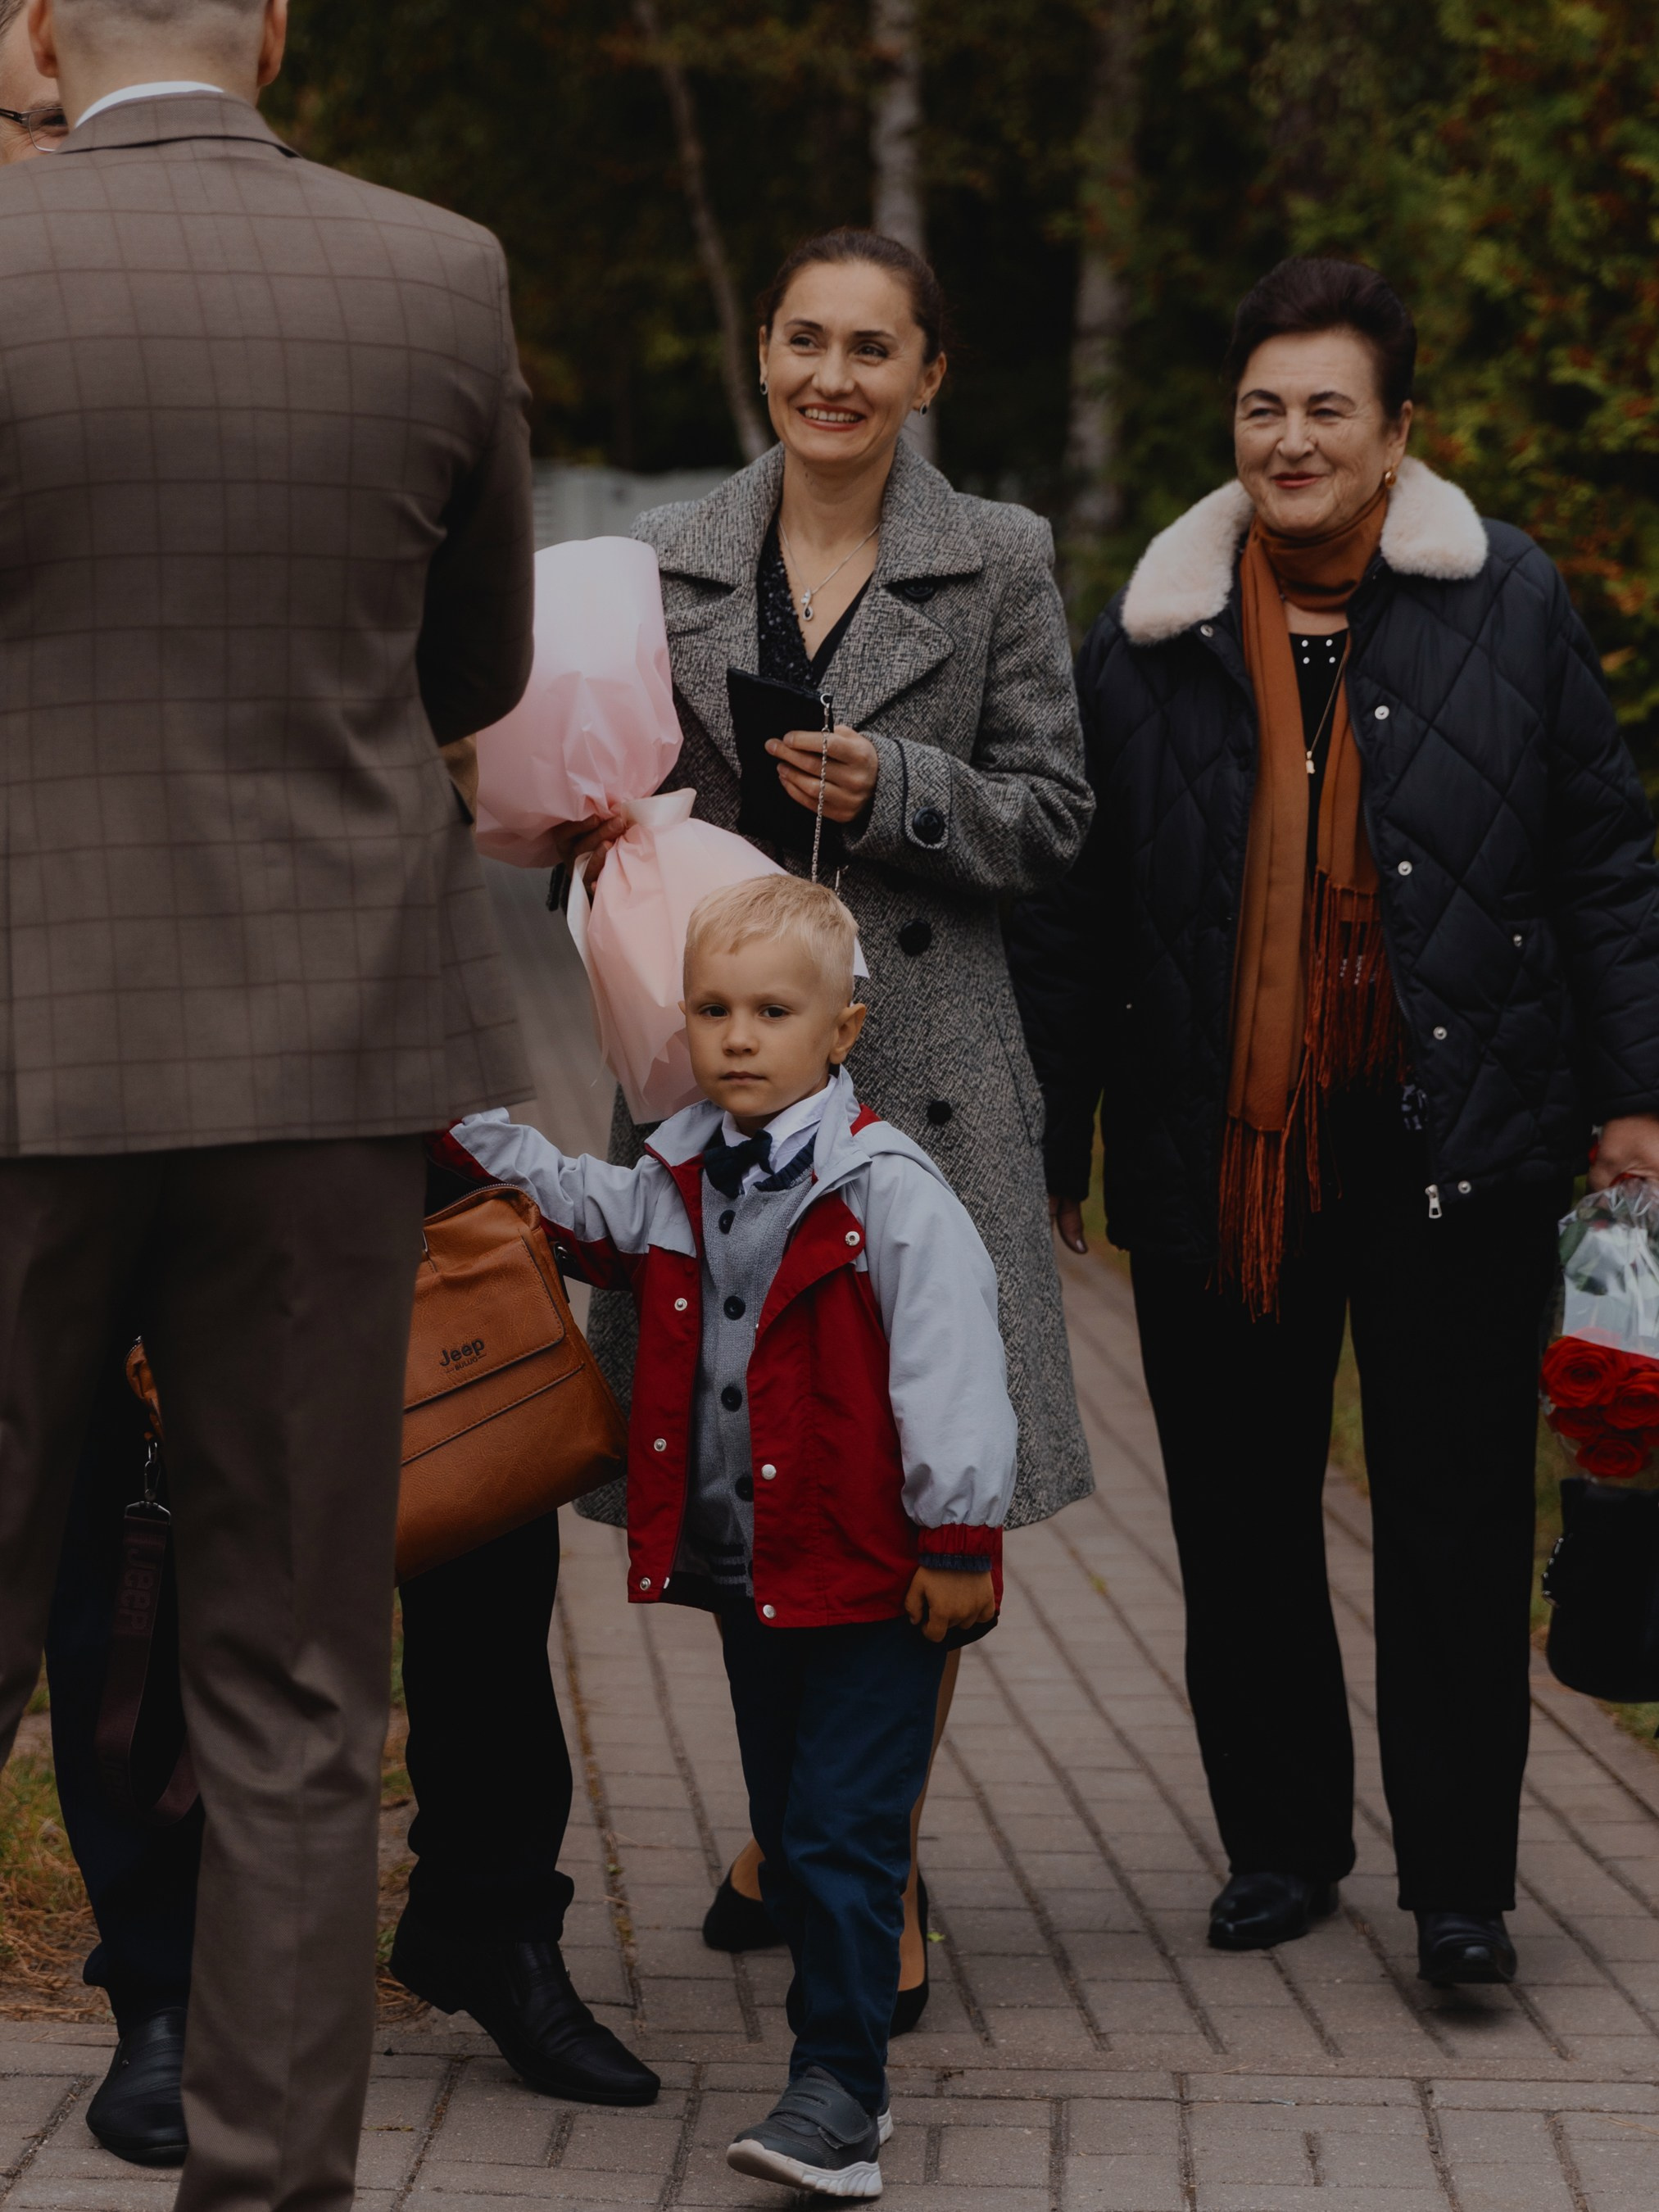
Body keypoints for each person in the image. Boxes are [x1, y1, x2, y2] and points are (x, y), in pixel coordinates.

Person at [0, 2, 539, 2205]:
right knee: (301, 1680)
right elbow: (483, 669)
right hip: (322, 1066)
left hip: (21, 1044)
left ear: (40, 31)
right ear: (278, 34)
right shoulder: (435, 270)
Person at [1009, 256, 1659, 1992]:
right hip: (1213, 1141)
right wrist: (1054, 1127)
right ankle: (1280, 1847)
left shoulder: (1503, 600)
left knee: (1448, 1519)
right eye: (1261, 408)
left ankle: (1461, 1889)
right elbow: (1078, 904)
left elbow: (1599, 859)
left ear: (1392, 439)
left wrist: (1631, 1099)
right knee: (1232, 1510)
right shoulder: (1148, 634)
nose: (1289, 439)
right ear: (1232, 429)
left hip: (1458, 1132)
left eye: (1325, 410)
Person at [569, 229, 1095, 2012]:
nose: (831, 377)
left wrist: (906, 789)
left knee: (894, 1475)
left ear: (926, 375)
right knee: (735, 1463)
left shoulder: (1000, 559)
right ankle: (794, 1822)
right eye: (805, 340)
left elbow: (1056, 819)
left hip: (922, 1076)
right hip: (714, 1072)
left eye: (873, 349)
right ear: (768, 359)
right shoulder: (663, 563)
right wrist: (596, 828)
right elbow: (616, 787)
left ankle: (862, 1859)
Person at [440, 874, 1017, 2201]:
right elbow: (581, 1209)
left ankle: (839, 2098)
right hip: (756, 1574)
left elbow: (951, 1368)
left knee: (841, 1835)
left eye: (773, 1011)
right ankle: (830, 2069)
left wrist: (958, 1536)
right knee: (784, 1816)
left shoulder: (889, 1192)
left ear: (843, 1032)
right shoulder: (684, 1173)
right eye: (712, 1010)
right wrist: (467, 1126)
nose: (739, 1036)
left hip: (879, 1574)